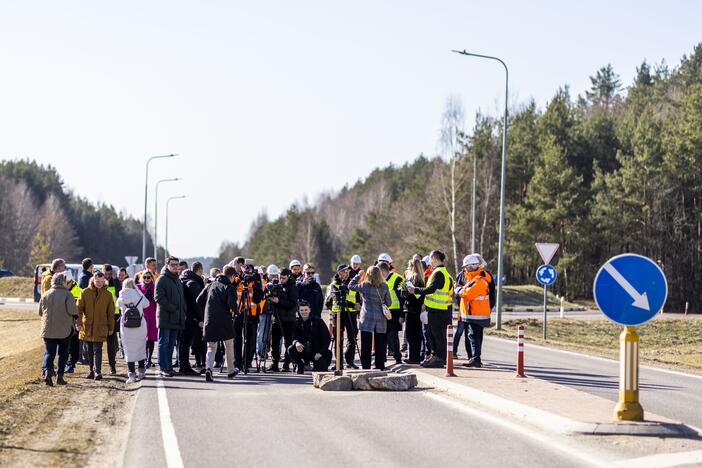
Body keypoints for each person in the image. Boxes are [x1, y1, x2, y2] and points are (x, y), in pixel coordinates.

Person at [408, 250, 454, 369]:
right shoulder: (442, 272)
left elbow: (431, 289)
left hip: (437, 310)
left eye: (431, 259)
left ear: (434, 258)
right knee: (433, 334)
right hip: (438, 309)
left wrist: (415, 290)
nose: (430, 261)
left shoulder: (438, 272)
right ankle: (435, 356)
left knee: (436, 335)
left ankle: (438, 358)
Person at [39, 272, 79, 386]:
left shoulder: (45, 294)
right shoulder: (67, 294)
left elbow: (40, 312)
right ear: (64, 282)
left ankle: (47, 373)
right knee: (63, 353)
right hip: (64, 330)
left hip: (48, 330)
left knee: (49, 353)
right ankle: (60, 377)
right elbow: (72, 311)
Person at [348, 265, 391, 370]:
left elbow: (350, 286)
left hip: (367, 317)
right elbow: (389, 303)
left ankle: (366, 366)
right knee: (380, 344)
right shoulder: (385, 286)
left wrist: (358, 276)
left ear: (368, 274)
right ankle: (380, 365)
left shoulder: (365, 285)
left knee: (366, 344)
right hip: (380, 318)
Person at [200, 266, 238, 381]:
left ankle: (209, 369)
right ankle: (230, 371)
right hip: (224, 320)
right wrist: (236, 311)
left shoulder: (210, 285)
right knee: (229, 344)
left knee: (211, 346)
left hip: (210, 319)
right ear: (231, 276)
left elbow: (198, 300)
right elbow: (231, 304)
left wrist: (206, 311)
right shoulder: (229, 287)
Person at [77, 272, 115, 380]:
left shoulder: (108, 295)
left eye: (101, 281)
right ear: (93, 280)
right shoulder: (85, 292)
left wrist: (111, 327)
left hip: (101, 326)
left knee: (98, 349)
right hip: (87, 326)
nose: (99, 283)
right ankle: (91, 371)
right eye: (97, 281)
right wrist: (79, 323)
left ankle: (97, 371)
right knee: (88, 350)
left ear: (104, 281)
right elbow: (79, 309)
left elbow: (110, 313)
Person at [456, 254, 492, 368]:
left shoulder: (478, 281)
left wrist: (457, 288)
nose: (464, 269)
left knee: (473, 337)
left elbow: (467, 294)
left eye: (466, 266)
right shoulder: (474, 280)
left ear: (472, 266)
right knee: (475, 337)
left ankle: (475, 359)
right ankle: (474, 358)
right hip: (474, 314)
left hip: (475, 315)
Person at [230, 257, 264, 373]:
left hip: (252, 312)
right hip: (238, 311)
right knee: (237, 338)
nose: (247, 269)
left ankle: (247, 361)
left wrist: (255, 281)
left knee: (251, 338)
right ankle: (237, 363)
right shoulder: (235, 277)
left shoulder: (256, 277)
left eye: (249, 267)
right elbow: (231, 290)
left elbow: (260, 296)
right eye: (245, 267)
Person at [155, 256, 186, 378]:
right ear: (167, 264)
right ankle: (163, 367)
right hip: (165, 317)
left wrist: (183, 311)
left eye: (177, 265)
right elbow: (158, 298)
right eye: (173, 264)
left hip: (176, 318)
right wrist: (172, 308)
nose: (175, 267)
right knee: (164, 343)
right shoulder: (162, 279)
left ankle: (169, 367)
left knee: (171, 343)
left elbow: (181, 298)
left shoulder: (177, 280)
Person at [325, 264, 359, 369]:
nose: (346, 273)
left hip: (351, 313)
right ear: (339, 273)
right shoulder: (334, 284)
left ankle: (350, 360)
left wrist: (357, 304)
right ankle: (338, 362)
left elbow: (357, 298)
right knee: (338, 339)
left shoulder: (352, 283)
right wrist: (353, 305)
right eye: (344, 271)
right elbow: (337, 299)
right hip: (338, 313)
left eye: (347, 271)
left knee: (352, 338)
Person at [287, 300, 332, 374]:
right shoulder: (296, 322)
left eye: (306, 310)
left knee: (319, 369)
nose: (304, 312)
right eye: (301, 310)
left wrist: (321, 353)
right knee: (291, 349)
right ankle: (300, 365)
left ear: (309, 310)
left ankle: (317, 366)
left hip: (316, 352)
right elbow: (293, 336)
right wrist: (296, 343)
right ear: (298, 311)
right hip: (303, 350)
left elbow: (326, 338)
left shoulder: (318, 321)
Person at [116, 279, 148, 383]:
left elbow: (117, 306)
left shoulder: (121, 297)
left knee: (128, 350)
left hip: (126, 327)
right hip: (140, 326)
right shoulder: (139, 296)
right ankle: (142, 372)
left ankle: (132, 375)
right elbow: (147, 304)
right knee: (140, 348)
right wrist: (138, 291)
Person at [267, 268, 298, 372]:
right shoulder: (276, 285)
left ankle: (286, 364)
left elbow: (292, 303)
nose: (281, 280)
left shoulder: (292, 287)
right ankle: (274, 363)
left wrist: (279, 301)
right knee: (274, 342)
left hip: (289, 319)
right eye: (280, 278)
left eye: (283, 278)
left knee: (288, 342)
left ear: (288, 277)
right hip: (277, 317)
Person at [179, 262, 205, 374]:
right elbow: (196, 303)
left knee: (183, 342)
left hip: (183, 315)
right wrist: (200, 319)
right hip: (191, 317)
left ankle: (183, 365)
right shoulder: (193, 283)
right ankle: (185, 367)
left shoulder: (183, 279)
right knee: (186, 342)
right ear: (200, 270)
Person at [378, 261, 405, 365]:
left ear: (383, 270)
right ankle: (382, 359)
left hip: (395, 312)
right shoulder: (380, 280)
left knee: (392, 336)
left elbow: (403, 298)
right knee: (383, 336)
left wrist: (402, 315)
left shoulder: (397, 279)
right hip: (384, 312)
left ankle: (397, 358)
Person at [402, 258, 426, 364]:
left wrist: (404, 293)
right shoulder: (422, 278)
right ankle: (417, 356)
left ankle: (413, 357)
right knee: (417, 334)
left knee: (411, 334)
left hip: (411, 309)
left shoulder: (413, 278)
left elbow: (410, 295)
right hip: (418, 309)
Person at [136, 272, 158, 367]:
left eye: (148, 277)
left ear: (151, 278)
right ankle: (143, 358)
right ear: (142, 278)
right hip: (142, 315)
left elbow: (158, 300)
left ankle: (149, 359)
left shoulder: (155, 287)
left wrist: (152, 298)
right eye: (144, 277)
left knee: (151, 338)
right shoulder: (138, 287)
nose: (146, 279)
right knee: (142, 338)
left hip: (152, 314)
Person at [103, 264, 121, 375]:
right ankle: (96, 367)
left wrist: (115, 280)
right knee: (98, 342)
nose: (107, 276)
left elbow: (119, 293)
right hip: (101, 315)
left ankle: (112, 366)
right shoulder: (98, 281)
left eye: (109, 274)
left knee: (111, 341)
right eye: (105, 273)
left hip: (113, 316)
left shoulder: (114, 281)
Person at [64, 272, 83, 373]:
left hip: (75, 322)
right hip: (64, 322)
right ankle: (65, 363)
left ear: (70, 282)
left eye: (66, 282)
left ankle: (71, 363)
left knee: (74, 344)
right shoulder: (62, 290)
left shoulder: (79, 292)